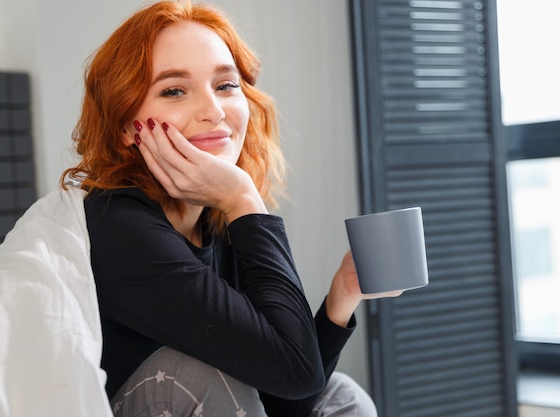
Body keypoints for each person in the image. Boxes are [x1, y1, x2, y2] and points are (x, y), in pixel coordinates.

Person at [61, 1, 402, 416]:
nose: (214, 111)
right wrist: (243, 197)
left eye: (225, 86)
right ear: (124, 129)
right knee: (193, 376)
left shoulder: (217, 222)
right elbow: (293, 372)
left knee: (341, 395)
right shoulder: (121, 227)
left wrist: (341, 297)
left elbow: (282, 395)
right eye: (174, 90)